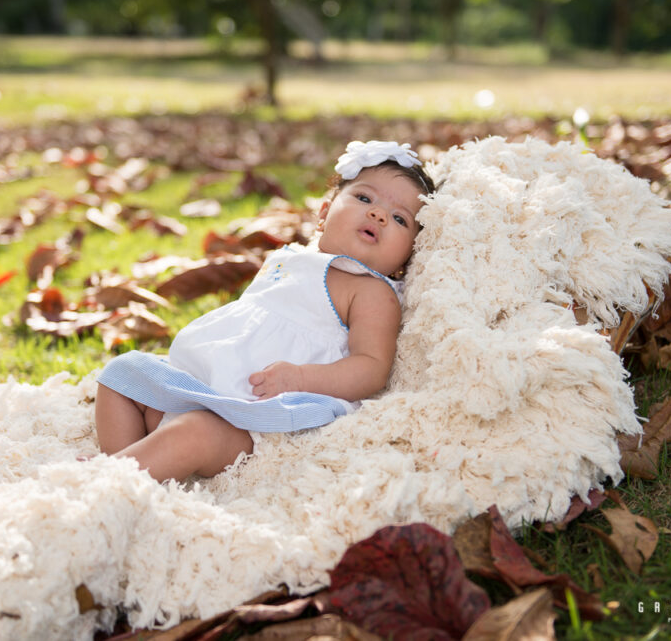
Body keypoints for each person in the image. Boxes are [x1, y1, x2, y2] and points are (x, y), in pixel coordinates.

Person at [91, 140, 436, 482]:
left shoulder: (371, 291)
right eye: (364, 198)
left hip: (256, 421)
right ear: (324, 213)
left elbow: (371, 369)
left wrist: (300, 377)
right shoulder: (289, 258)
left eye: (399, 218)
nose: (378, 214)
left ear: (407, 258)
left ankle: (111, 480)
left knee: (193, 433)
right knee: (121, 376)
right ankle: (133, 468)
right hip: (201, 386)